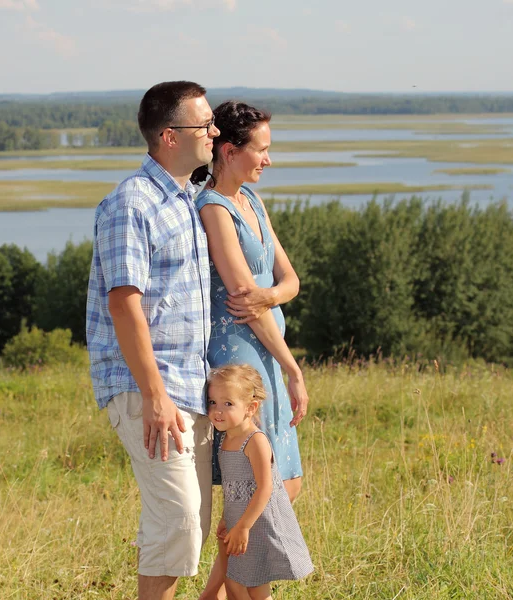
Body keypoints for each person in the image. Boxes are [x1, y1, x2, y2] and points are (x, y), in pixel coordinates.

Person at [86, 81, 220, 600]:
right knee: (180, 520)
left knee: (192, 525)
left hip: (190, 387)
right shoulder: (132, 203)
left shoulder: (186, 201)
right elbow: (125, 305)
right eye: (203, 124)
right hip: (150, 389)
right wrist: (155, 395)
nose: (213, 132)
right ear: (169, 136)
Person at [193, 101, 309, 600]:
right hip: (243, 358)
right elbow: (245, 298)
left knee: (286, 483)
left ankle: (224, 591)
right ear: (228, 150)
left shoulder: (252, 203)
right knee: (251, 491)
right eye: (261, 150)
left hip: (269, 350)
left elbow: (290, 281)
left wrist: (272, 294)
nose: (268, 160)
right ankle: (230, 591)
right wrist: (292, 367)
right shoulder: (214, 207)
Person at [207, 364, 314, 600]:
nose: (218, 410)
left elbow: (265, 488)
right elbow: (233, 489)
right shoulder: (225, 439)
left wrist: (243, 526)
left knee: (254, 588)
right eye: (213, 402)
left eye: (228, 404)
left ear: (250, 407)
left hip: (257, 525)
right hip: (239, 524)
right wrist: (228, 518)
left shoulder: (254, 440)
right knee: (235, 585)